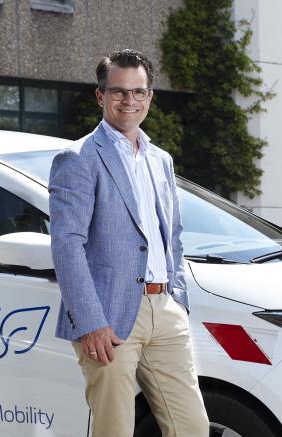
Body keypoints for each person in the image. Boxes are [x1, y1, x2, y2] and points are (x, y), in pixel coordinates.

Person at [49, 49, 208, 437]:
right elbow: (67, 245)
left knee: (192, 427)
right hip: (108, 317)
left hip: (164, 310)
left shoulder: (161, 161)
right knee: (114, 430)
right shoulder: (79, 158)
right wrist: (91, 322)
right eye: (119, 92)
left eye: (139, 92)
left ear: (150, 97)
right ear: (100, 96)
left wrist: (178, 299)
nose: (129, 101)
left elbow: (172, 235)